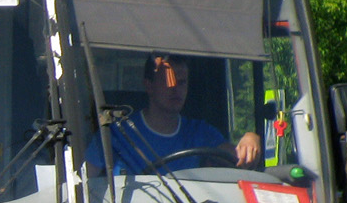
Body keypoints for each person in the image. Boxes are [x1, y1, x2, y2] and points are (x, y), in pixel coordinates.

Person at [88, 53, 261, 175]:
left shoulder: (200, 132)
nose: (175, 89)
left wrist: (251, 138)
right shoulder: (117, 133)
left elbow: (239, 160)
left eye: (181, 82)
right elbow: (83, 182)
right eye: (167, 81)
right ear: (149, 86)